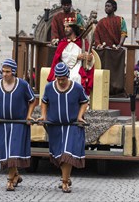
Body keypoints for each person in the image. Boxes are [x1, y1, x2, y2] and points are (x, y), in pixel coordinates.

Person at [37, 62, 89, 193]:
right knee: (59, 155)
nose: (60, 81)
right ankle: (66, 176)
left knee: (67, 153)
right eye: (58, 79)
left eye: (63, 79)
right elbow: (44, 102)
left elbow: (84, 102)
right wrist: (43, 116)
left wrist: (80, 116)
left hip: (71, 126)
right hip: (54, 127)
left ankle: (65, 182)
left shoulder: (76, 88)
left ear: (68, 76)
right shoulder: (49, 87)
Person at [0, 58, 36, 191]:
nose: (4, 74)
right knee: (7, 151)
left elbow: (32, 100)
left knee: (14, 151)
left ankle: (10, 180)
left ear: (13, 72)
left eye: (8, 72)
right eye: (3, 71)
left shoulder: (22, 84)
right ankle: (15, 175)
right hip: (3, 124)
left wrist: (28, 115)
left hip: (18, 123)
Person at [47, 17, 94, 95]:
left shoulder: (82, 42)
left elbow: (90, 56)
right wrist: (77, 57)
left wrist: (89, 58)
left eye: (68, 27)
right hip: (64, 66)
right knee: (63, 77)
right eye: (65, 27)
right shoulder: (63, 43)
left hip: (79, 66)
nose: (66, 29)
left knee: (76, 77)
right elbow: (62, 56)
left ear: (73, 28)